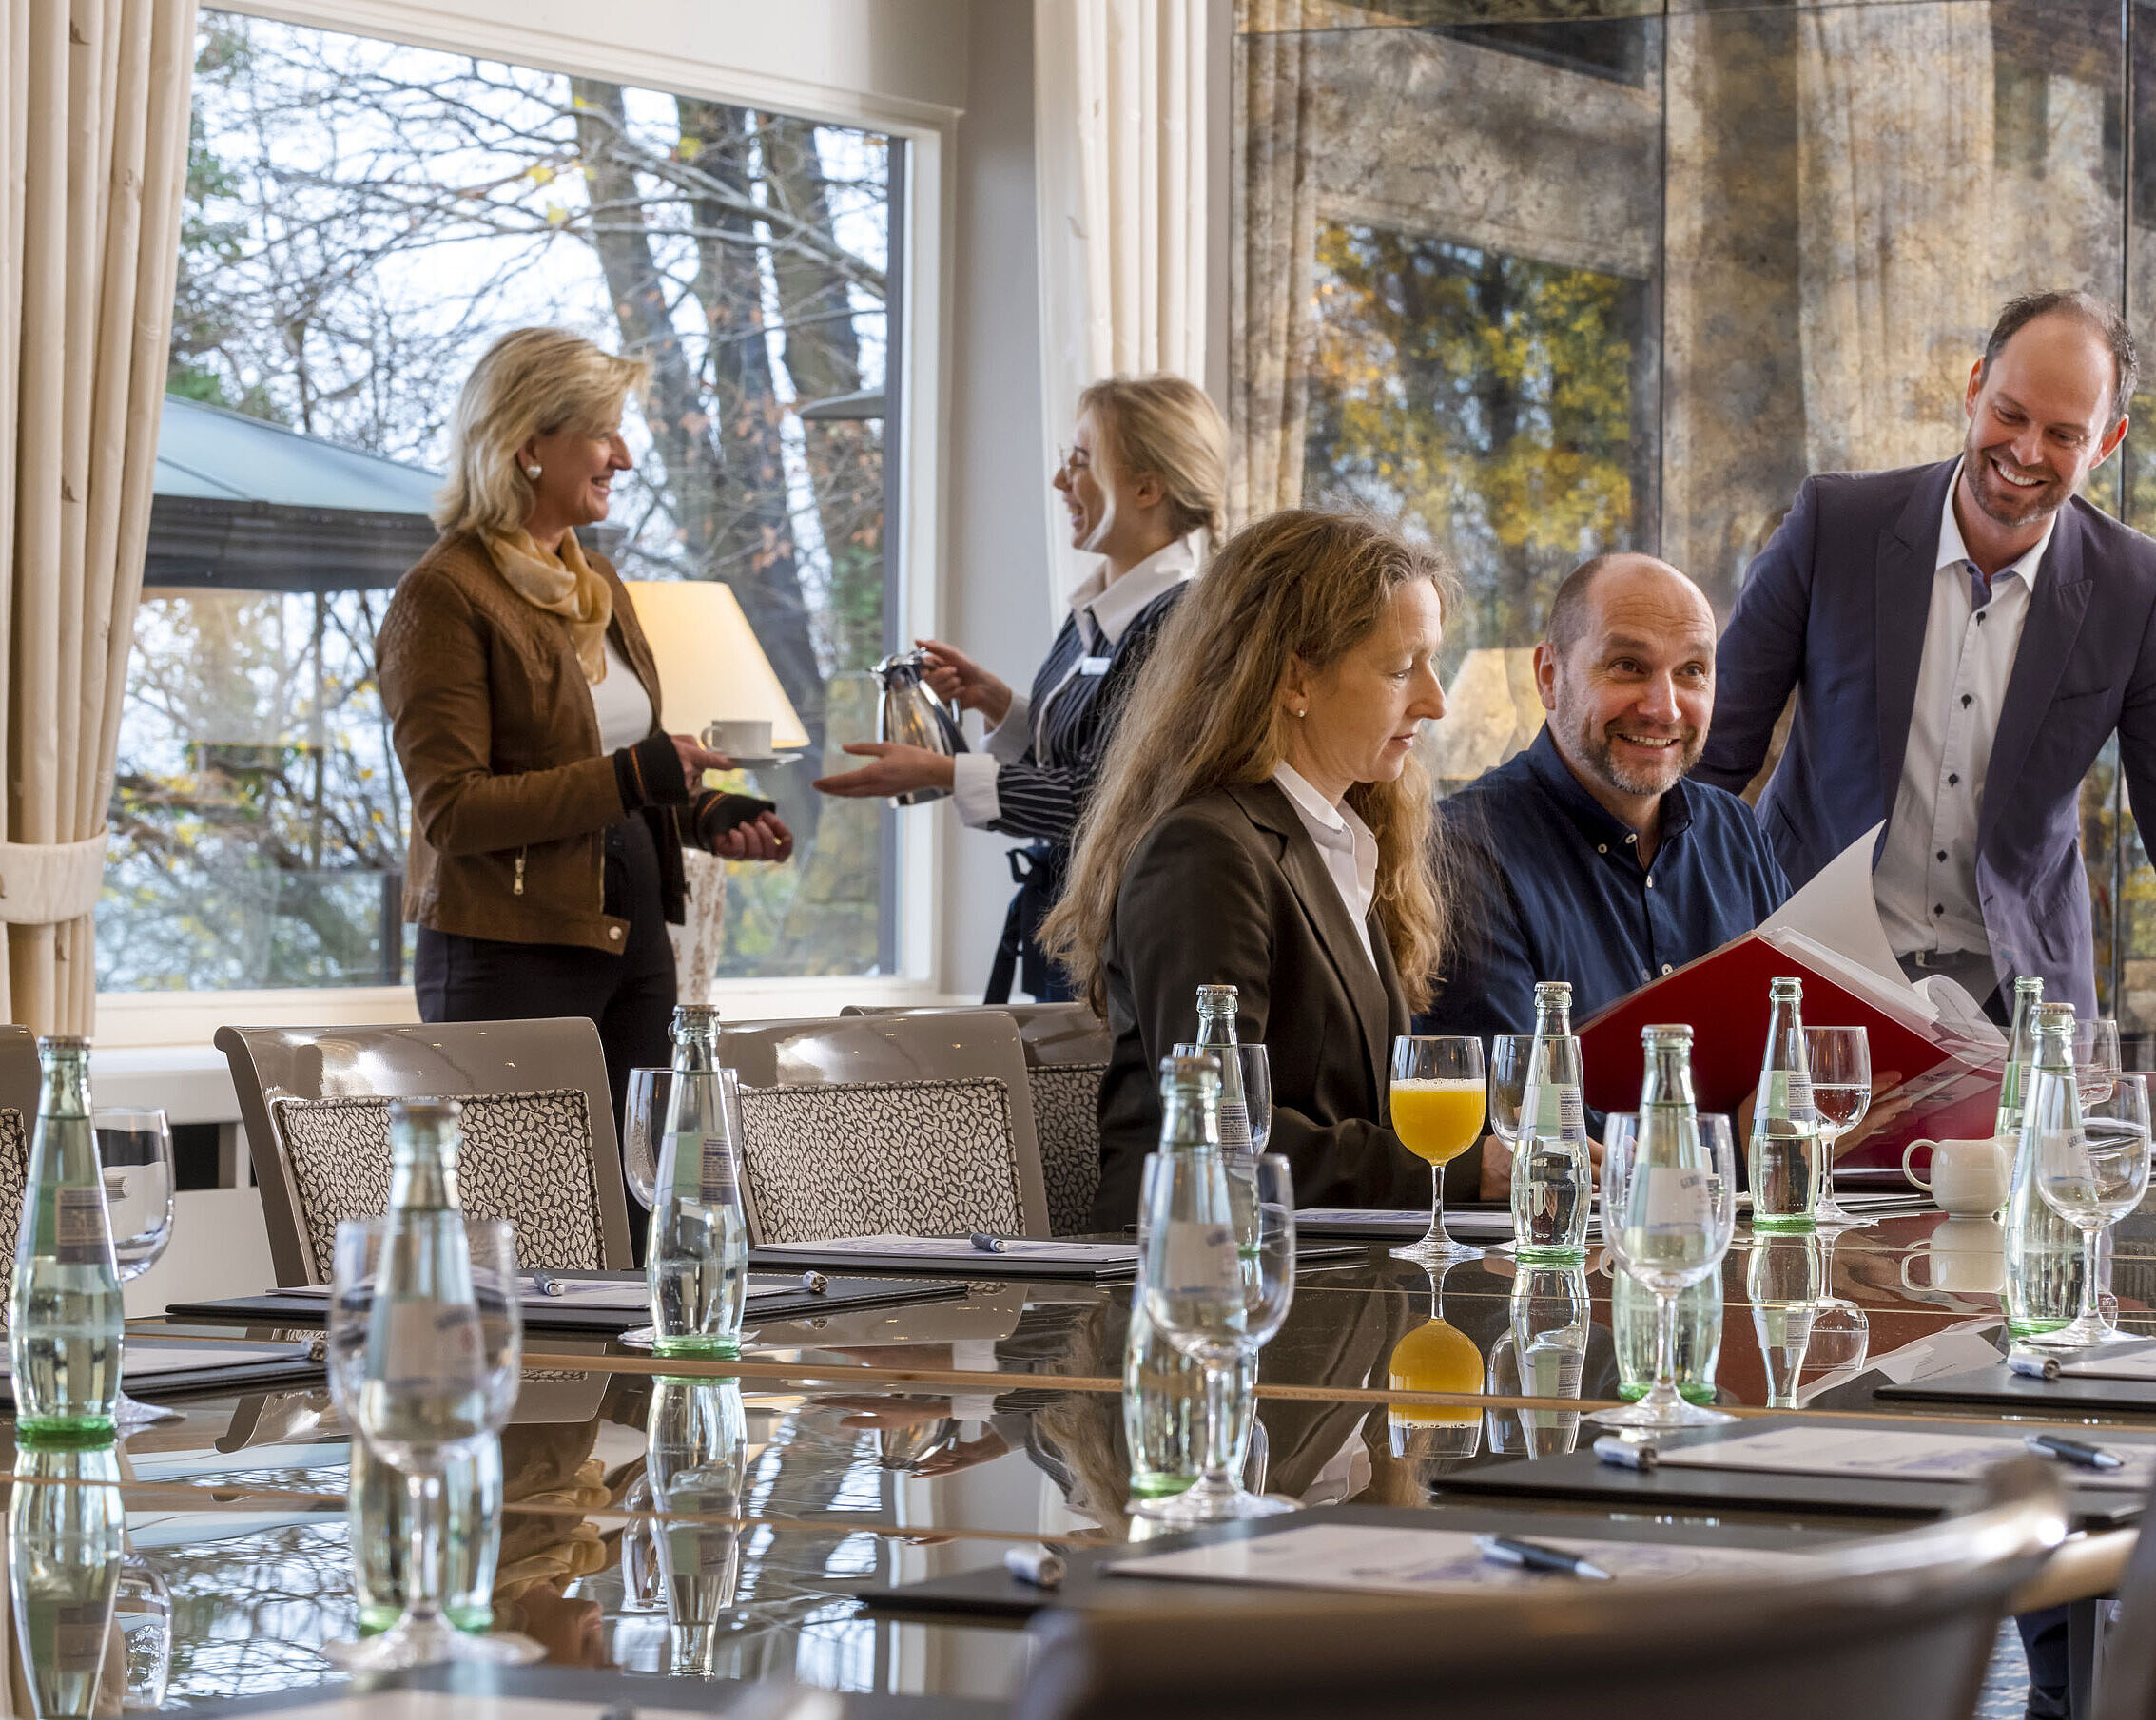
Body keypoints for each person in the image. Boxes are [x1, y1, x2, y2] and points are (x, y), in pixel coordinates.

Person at [1695, 288, 2156, 1070]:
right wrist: (1664, 969)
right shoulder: (1832, 527)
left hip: (2020, 1012)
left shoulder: (2133, 591)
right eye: (2009, 414)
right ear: (1974, 388)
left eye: (2063, 434)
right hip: (1816, 979)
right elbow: (1710, 756)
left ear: (2106, 442)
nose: (2026, 451)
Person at [1044, 509, 1510, 1229]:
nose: (1436, 701)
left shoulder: (1341, 841)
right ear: (1295, 676)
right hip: (1197, 1285)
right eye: (1399, 668)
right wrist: (1462, 1168)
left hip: (1325, 1266)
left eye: (1432, 663)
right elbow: (1220, 1133)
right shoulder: (1203, 852)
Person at [379, 328, 793, 1127]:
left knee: (644, 1206)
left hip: (634, 944)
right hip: (510, 960)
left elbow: (601, 770)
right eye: (604, 433)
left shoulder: (594, 579)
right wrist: (639, 775)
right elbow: (454, 812)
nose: (625, 457)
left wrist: (700, 814)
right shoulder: (444, 596)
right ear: (530, 442)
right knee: (537, 1224)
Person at [814, 376, 1227, 1002]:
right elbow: (1089, 752)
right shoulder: (1096, 611)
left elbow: (1101, 799)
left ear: (1146, 487)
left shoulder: (1177, 623)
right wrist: (996, 703)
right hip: (1072, 917)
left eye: (1081, 464)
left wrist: (947, 771)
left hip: (1124, 932)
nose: (1061, 482)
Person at [1420, 551, 1791, 1041]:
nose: (1665, 708)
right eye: (1628, 666)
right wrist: (1741, 1120)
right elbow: (1506, 1105)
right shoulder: (1461, 851)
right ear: (1550, 676)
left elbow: (1798, 1046)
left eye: (1692, 670)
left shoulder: (1735, 833)